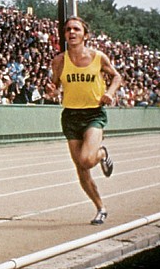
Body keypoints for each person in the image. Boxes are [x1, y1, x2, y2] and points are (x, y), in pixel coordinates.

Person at [50, 16, 123, 226]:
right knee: (81, 170)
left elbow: (117, 77)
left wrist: (110, 93)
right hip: (71, 116)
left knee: (87, 159)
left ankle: (102, 154)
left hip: (93, 114)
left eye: (76, 29)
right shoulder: (59, 61)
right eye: (68, 30)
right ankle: (100, 208)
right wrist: (52, 90)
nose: (71, 32)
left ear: (85, 35)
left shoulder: (98, 57)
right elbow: (55, 85)